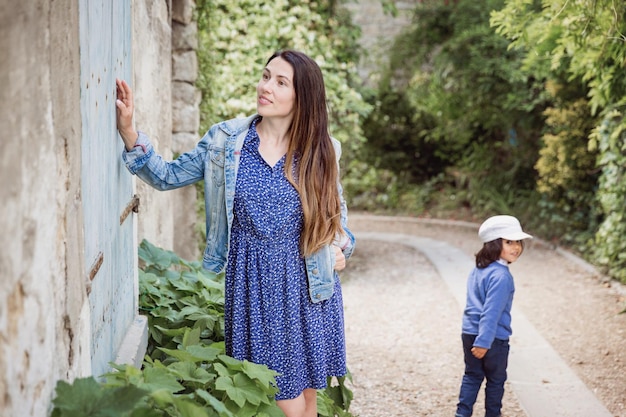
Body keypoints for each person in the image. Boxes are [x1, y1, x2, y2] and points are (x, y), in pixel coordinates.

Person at [115, 49, 355, 417]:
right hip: (254, 288)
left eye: (280, 82)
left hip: (307, 287)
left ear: (302, 97)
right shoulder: (225, 142)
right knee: (282, 399)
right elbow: (166, 175)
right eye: (265, 76)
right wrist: (129, 131)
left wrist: (342, 249)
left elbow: (338, 224)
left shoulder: (320, 150)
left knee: (304, 400)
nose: (265, 87)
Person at [455, 215, 532, 417]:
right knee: (496, 381)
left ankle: (462, 414)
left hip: (469, 332)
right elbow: (491, 312)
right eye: (509, 242)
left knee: (472, 376)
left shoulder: (479, 269)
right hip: (492, 338)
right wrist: (484, 341)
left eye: (518, 242)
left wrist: (477, 338)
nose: (516, 247)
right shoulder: (501, 276)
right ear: (494, 243)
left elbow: (473, 304)